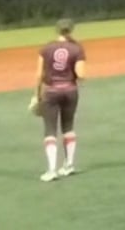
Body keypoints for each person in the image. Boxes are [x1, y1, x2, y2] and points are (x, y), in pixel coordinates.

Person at [29, 19, 87, 181]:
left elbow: (39, 75)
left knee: (50, 130)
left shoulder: (46, 48)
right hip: (70, 90)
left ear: (57, 30)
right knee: (68, 127)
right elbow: (81, 75)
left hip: (50, 91)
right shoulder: (77, 48)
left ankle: (51, 170)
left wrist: (36, 95)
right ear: (72, 30)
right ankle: (68, 165)